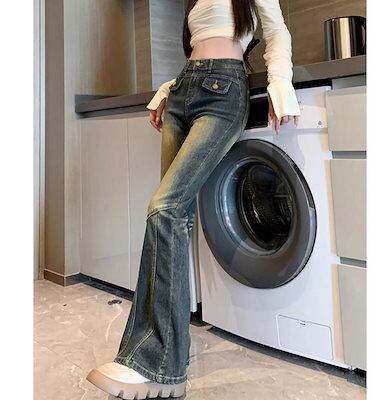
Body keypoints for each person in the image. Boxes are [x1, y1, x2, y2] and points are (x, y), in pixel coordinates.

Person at [86, 0, 301, 399]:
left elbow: (276, 32)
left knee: (164, 209)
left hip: (224, 93)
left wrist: (280, 84)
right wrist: (169, 88)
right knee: (175, 217)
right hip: (182, 93)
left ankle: (155, 365)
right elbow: (200, 47)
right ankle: (164, 361)